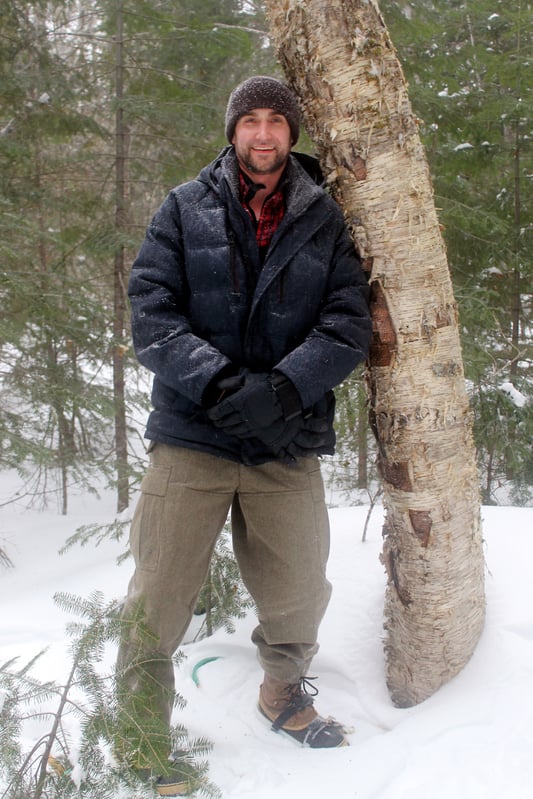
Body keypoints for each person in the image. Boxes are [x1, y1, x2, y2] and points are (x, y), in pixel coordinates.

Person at [116, 75, 372, 796]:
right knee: (158, 592)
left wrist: (285, 387)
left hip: (284, 437)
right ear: (232, 131)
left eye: (276, 122)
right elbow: (152, 310)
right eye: (250, 121)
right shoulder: (183, 207)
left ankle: (281, 692)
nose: (263, 134)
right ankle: (139, 730)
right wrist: (224, 384)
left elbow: (347, 319)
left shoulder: (324, 218)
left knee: (298, 587)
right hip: (193, 432)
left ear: (293, 132)